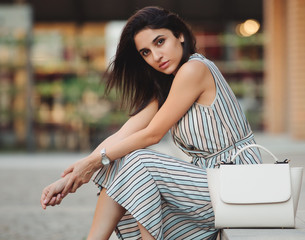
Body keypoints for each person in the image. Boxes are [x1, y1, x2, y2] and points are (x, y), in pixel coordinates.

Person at [40, 6, 262, 240]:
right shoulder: (168, 85)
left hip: (237, 183)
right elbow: (124, 135)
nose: (156, 56)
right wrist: (72, 175)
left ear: (180, 35)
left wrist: (95, 163)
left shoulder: (194, 69)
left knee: (138, 160)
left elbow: (151, 135)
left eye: (160, 42)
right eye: (146, 52)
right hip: (208, 185)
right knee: (122, 165)